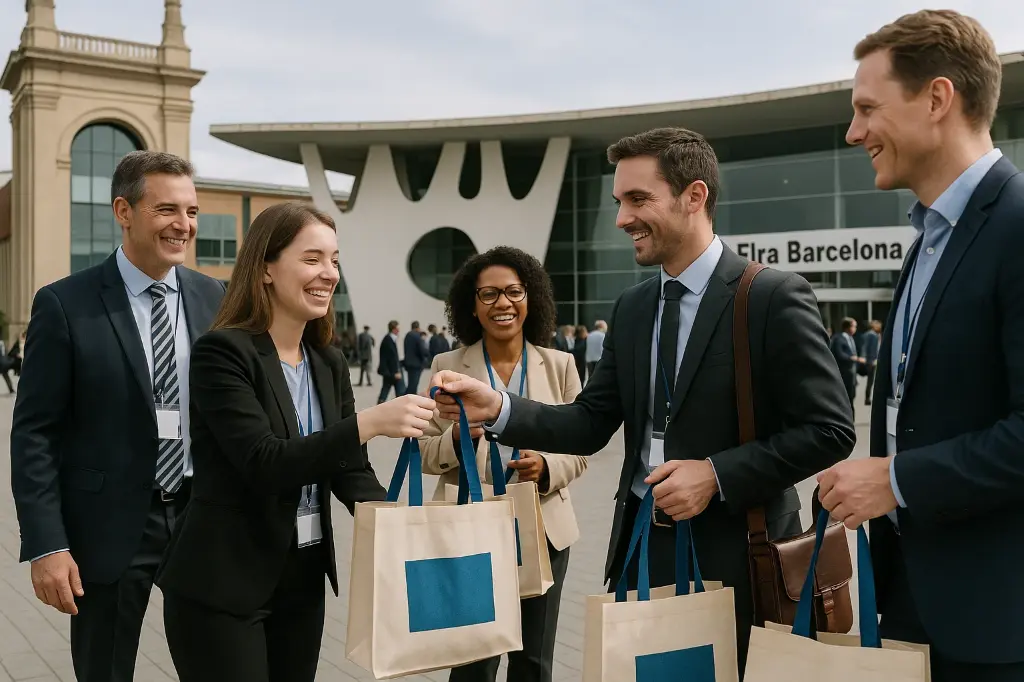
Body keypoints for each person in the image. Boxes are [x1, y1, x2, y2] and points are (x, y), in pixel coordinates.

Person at [429, 127, 855, 667]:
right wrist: (498, 408)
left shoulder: (770, 296)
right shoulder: (633, 307)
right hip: (642, 551)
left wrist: (715, 474)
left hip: (739, 556)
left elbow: (831, 430)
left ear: (694, 196)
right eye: (618, 201)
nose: (621, 218)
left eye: (637, 199)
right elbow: (590, 422)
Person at [816, 9, 1024, 682]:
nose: (854, 132)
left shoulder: (1017, 225)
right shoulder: (927, 242)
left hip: (997, 628)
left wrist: (896, 480)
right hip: (911, 607)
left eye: (867, 108)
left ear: (937, 99)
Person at [155, 202, 436, 682]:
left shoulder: (328, 360)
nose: (329, 273)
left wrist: (404, 526)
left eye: (334, 260)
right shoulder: (222, 352)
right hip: (223, 584)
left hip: (302, 580)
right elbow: (264, 461)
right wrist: (368, 422)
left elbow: (350, 469)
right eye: (312, 259)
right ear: (266, 267)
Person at [9, 151, 226, 681]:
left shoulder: (213, 297)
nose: (184, 225)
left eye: (191, 211)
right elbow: (35, 434)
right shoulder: (65, 304)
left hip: (201, 518)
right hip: (109, 528)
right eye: (167, 209)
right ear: (124, 211)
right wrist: (47, 544)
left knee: (218, 666)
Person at [418, 246, 588, 682]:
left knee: (533, 661)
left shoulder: (561, 365)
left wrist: (547, 466)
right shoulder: (446, 366)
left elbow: (583, 447)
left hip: (544, 529)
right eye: (489, 294)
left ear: (530, 298)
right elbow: (423, 451)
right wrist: (455, 440)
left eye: (513, 291)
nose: (503, 303)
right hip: (470, 528)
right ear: (472, 305)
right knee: (474, 660)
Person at [377, 320, 404, 402]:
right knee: (398, 390)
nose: (399, 330)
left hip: (389, 371)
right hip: (391, 371)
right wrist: (396, 372)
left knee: (387, 388)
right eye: (398, 328)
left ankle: (381, 403)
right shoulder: (388, 341)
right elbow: (391, 358)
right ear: (394, 329)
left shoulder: (389, 339)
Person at [403, 320, 430, 394]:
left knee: (411, 383)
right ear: (418, 328)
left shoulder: (407, 335)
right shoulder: (417, 336)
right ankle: (408, 398)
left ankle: (408, 397)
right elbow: (422, 350)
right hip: (416, 364)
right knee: (413, 385)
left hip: (408, 363)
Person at [859, 320, 881, 406]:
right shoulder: (873, 335)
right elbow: (874, 349)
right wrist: (873, 360)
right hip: (872, 360)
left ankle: (867, 398)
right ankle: (868, 398)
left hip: (869, 360)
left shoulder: (866, 334)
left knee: (870, 381)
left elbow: (864, 347)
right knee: (871, 380)